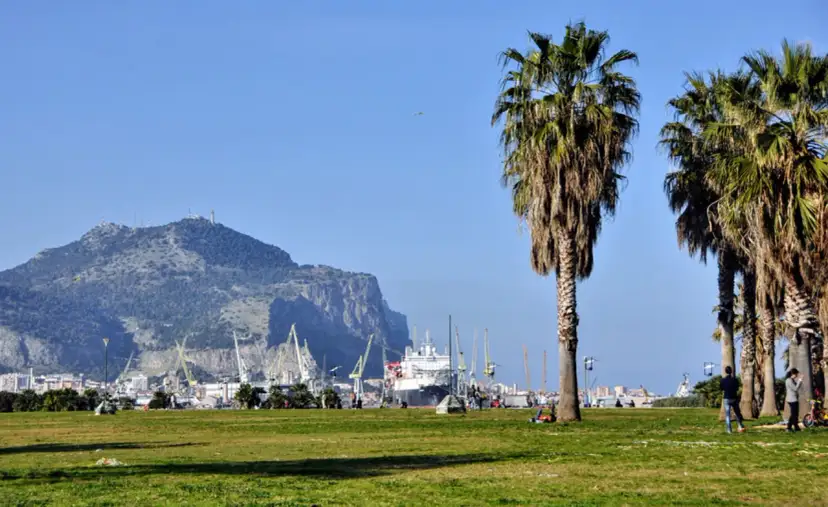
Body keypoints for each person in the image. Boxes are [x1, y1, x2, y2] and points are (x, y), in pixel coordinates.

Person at [720, 366, 746, 433]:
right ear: (731, 371)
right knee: (737, 413)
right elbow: (737, 388)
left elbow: (721, 388)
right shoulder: (735, 380)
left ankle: (729, 430)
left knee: (728, 415)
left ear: (725, 371)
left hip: (726, 398)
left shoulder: (723, 380)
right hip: (734, 398)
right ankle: (740, 426)